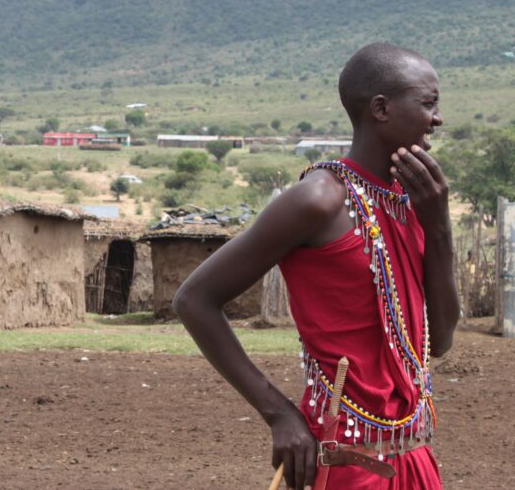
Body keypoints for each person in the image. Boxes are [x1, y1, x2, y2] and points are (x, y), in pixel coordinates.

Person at [173, 42, 458, 489]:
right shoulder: (319, 199)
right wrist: (279, 414)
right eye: (428, 103)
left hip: (415, 454)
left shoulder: (412, 201)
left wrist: (438, 228)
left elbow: (440, 339)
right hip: (345, 460)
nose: (437, 118)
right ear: (381, 109)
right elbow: (194, 299)